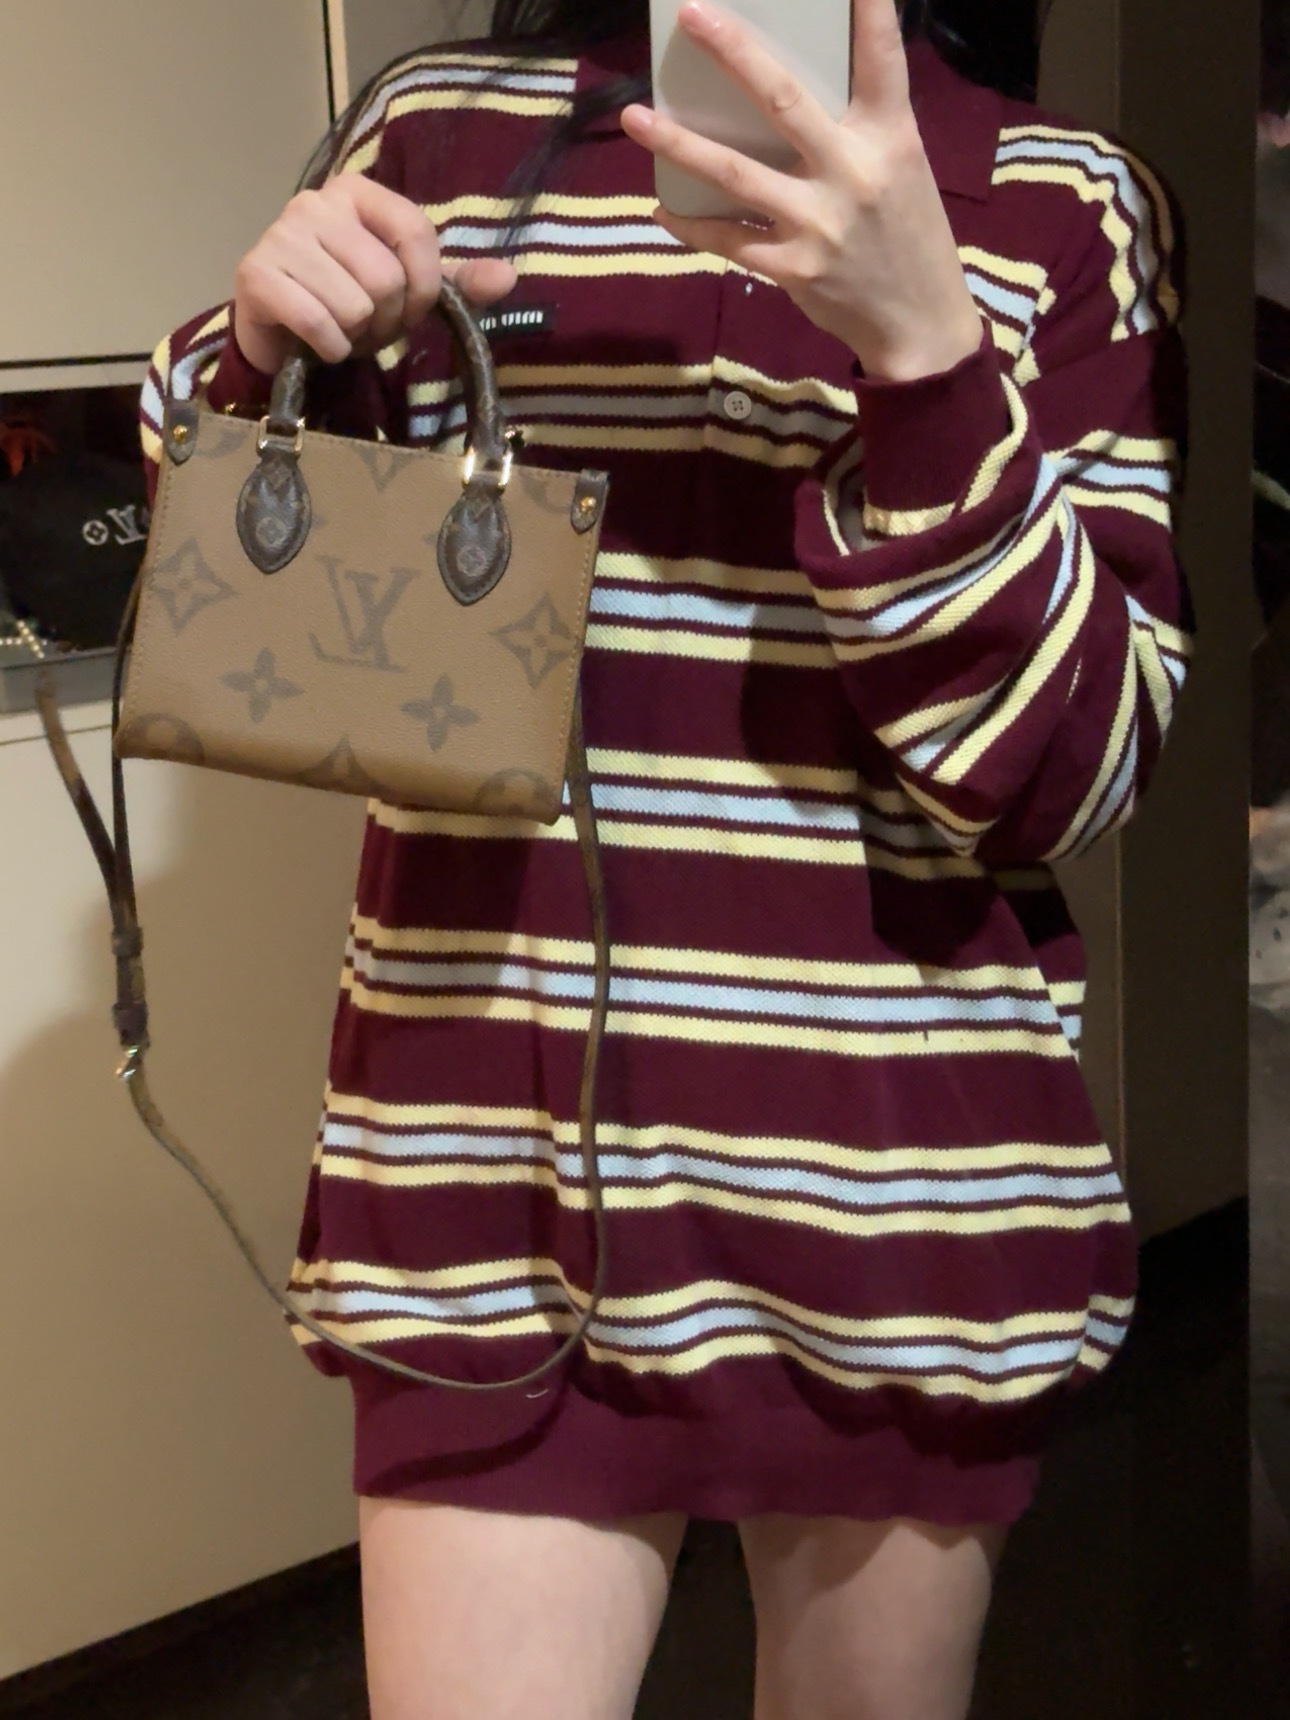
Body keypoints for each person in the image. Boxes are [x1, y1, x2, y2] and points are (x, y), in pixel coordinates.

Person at [141, 1, 1188, 1715]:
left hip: (897, 1198)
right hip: (486, 1188)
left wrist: (924, 354)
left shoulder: (1052, 194)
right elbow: (244, 583)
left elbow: (1075, 768)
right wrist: (268, 355)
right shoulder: (443, 131)